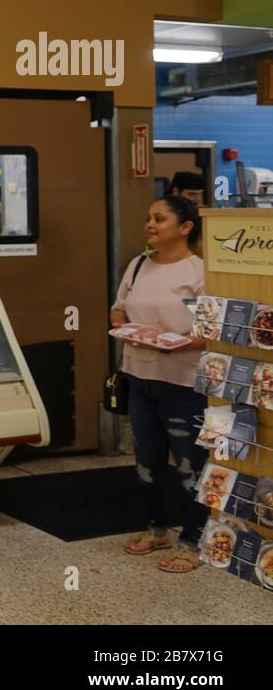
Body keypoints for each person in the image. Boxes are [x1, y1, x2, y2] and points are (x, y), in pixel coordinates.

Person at [109, 195, 209, 572]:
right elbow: (118, 308)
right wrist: (122, 326)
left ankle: (193, 541)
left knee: (189, 465)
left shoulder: (198, 272)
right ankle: (156, 529)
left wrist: (179, 343)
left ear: (185, 228)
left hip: (183, 383)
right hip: (139, 377)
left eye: (160, 219)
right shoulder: (137, 265)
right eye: (149, 218)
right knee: (146, 462)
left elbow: (210, 332)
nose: (150, 225)